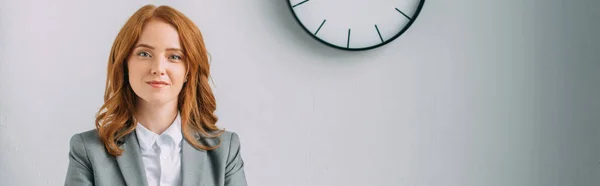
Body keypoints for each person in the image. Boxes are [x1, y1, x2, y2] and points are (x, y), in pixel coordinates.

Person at [65, 4, 247, 186]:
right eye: (144, 54)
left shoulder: (225, 150)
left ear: (188, 71)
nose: (158, 68)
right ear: (125, 64)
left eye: (174, 56)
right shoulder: (88, 150)